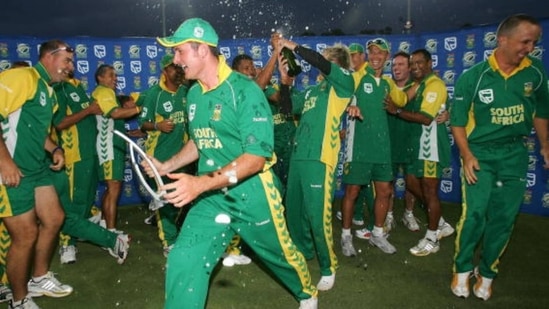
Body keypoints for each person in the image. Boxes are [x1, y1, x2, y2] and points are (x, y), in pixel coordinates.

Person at [152, 18, 318, 308]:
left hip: (253, 193)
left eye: (180, 52)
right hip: (212, 197)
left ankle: (307, 295)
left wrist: (201, 183)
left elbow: (255, 160)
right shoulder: (193, 94)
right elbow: (199, 141)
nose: (176, 60)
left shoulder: (245, 90)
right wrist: (168, 165)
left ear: (202, 50)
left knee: (279, 256)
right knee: (184, 258)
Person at [449, 14, 549, 301]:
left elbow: (542, 111)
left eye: (534, 42)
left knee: (504, 218)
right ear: (503, 39)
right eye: (525, 41)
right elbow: (457, 121)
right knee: (475, 214)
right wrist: (466, 154)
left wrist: (544, 144)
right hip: (479, 154)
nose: (529, 48)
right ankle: (462, 268)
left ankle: (488, 271)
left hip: (515, 155)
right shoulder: (474, 76)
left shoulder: (536, 73)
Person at [0, 39, 74, 309]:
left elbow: (37, 131)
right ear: (48, 57)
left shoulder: (49, 91)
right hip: (11, 171)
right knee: (25, 235)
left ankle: (39, 278)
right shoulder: (23, 77)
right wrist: (4, 162)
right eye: (66, 60)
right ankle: (18, 301)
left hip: (36, 169)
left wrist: (54, 148)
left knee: (55, 217)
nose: (70, 67)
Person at [281, 38, 356, 290]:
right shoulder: (313, 90)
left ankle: (328, 266)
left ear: (338, 65)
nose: (321, 65)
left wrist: (293, 47)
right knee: (294, 211)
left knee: (317, 216)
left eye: (327, 60)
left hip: (320, 159)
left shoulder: (343, 85)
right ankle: (304, 252)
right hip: (299, 156)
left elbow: (319, 62)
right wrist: (285, 82)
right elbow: (287, 106)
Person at [52, 71, 130, 265]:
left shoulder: (78, 87)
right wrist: (88, 110)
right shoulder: (59, 88)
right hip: (73, 155)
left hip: (91, 155)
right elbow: (59, 123)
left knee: (84, 203)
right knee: (72, 204)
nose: (71, 64)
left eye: (72, 60)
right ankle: (67, 244)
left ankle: (90, 232)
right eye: (66, 60)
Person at [340, 38, 407, 256]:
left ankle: (378, 234)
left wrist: (396, 107)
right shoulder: (358, 76)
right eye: (372, 52)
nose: (376, 56)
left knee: (385, 191)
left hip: (382, 147)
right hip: (358, 145)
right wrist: (351, 105)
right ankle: (346, 236)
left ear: (387, 57)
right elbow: (344, 91)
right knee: (352, 191)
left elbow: (403, 100)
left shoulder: (388, 84)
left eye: (381, 53)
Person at [385, 49, 454, 257]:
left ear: (430, 62)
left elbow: (425, 118)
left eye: (419, 63)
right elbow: (404, 99)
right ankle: (440, 222)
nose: (415, 67)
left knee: (430, 191)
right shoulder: (420, 84)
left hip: (430, 147)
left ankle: (432, 238)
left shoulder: (435, 84)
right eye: (412, 64)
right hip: (419, 146)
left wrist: (396, 111)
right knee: (413, 183)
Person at [138, 54, 187, 257]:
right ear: (164, 71)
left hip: (183, 156)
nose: (177, 70)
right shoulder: (154, 94)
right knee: (167, 200)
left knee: (180, 200)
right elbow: (143, 123)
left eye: (178, 66)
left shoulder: (187, 91)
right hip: (160, 156)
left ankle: (160, 219)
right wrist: (158, 125)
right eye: (172, 67)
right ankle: (169, 241)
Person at [92, 64, 140, 233]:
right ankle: (111, 232)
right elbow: (115, 114)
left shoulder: (109, 93)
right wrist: (140, 108)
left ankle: (105, 225)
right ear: (100, 78)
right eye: (111, 75)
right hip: (108, 148)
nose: (115, 79)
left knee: (112, 187)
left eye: (116, 75)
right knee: (114, 187)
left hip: (114, 146)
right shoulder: (103, 92)